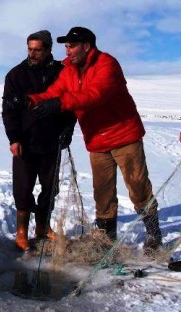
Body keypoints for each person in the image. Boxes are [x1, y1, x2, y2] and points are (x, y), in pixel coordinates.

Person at [27, 26, 162, 254]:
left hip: (124, 136)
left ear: (86, 46)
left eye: (71, 46)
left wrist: (60, 104)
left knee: (138, 187)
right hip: (97, 140)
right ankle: (107, 240)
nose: (67, 51)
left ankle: (153, 234)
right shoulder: (68, 69)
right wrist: (32, 100)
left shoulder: (107, 64)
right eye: (66, 46)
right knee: (102, 193)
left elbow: (95, 94)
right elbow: (55, 92)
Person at [2, 30, 77, 251]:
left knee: (50, 188)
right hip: (25, 142)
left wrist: (68, 130)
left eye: (37, 50)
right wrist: (14, 138)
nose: (32, 54)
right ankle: (22, 232)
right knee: (23, 189)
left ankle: (43, 227)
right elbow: (8, 111)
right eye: (30, 49)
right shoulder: (15, 75)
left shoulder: (62, 72)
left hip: (51, 141)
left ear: (48, 50)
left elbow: (70, 103)